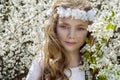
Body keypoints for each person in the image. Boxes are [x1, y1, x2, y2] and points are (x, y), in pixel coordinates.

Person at [26, 0, 96, 80]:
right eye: (64, 27)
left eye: (80, 29)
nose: (71, 36)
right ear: (54, 27)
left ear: (89, 31)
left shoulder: (95, 64)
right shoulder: (42, 64)